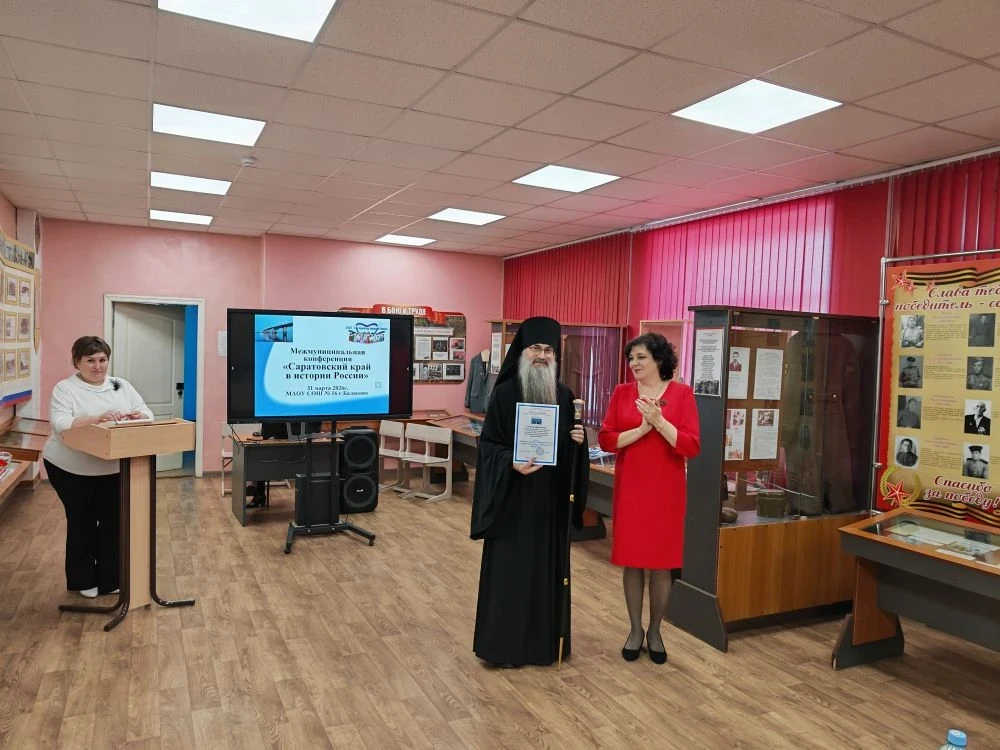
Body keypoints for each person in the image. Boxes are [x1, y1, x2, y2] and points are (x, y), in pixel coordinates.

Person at [471, 317, 588, 667]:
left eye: (549, 350)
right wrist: (511, 462)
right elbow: (488, 446)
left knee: (544, 573)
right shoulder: (505, 394)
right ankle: (504, 648)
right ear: (522, 352)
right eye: (536, 348)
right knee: (511, 574)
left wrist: (578, 441)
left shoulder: (564, 396)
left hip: (548, 503)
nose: (542, 355)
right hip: (512, 500)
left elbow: (568, 451)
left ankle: (543, 646)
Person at [598, 333, 700, 665]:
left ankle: (655, 631)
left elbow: (691, 446)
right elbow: (607, 439)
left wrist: (658, 421)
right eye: (631, 358)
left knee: (661, 564)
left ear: (658, 359)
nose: (634, 364)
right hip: (631, 488)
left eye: (641, 357)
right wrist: (642, 429)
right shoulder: (622, 393)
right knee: (632, 561)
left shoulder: (682, 394)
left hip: (666, 491)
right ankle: (634, 629)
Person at [42, 336, 153, 598]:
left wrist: (138, 416)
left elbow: (147, 413)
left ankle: (109, 578)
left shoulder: (120, 385)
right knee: (82, 521)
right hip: (70, 467)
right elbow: (60, 423)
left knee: (113, 522)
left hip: (112, 467)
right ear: (76, 362)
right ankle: (82, 579)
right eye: (90, 360)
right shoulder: (65, 389)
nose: (97, 366)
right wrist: (97, 419)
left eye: (102, 360)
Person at [245, 421, 322, 508]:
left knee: (262, 457)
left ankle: (258, 493)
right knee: (261, 456)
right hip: (282, 440)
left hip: (302, 440)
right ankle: (259, 493)